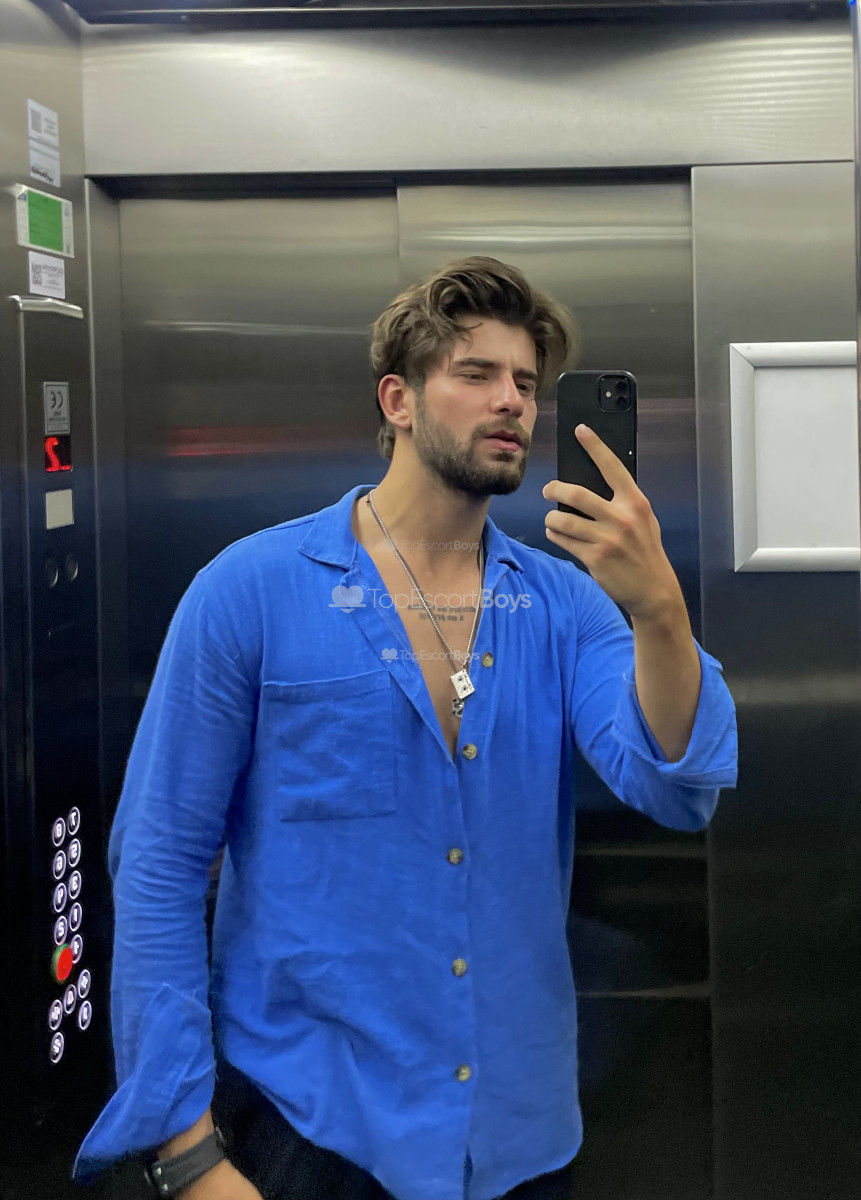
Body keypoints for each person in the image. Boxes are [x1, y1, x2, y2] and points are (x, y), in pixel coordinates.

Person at [75, 257, 737, 1200]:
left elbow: (674, 784)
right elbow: (159, 864)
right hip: (309, 1130)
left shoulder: (564, 605)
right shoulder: (249, 591)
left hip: (513, 1140)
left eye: (524, 383)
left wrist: (658, 609)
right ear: (398, 399)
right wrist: (185, 1154)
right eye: (476, 373)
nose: (509, 401)